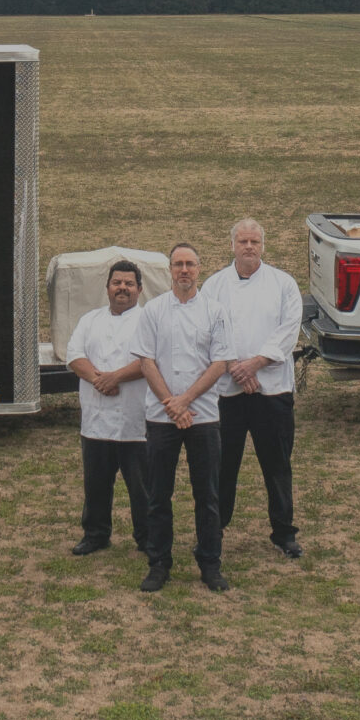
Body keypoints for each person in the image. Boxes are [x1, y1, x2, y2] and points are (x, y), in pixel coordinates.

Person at [131, 241, 231, 593]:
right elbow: (146, 361)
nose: (184, 270)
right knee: (158, 494)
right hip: (162, 418)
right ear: (169, 271)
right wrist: (171, 405)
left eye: (190, 264)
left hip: (203, 417)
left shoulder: (215, 312)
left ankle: (210, 564)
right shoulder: (154, 311)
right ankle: (158, 564)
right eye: (178, 265)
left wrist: (185, 401)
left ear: (199, 269)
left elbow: (219, 363)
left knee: (208, 496)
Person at [206, 216, 304, 559]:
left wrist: (256, 363)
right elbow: (208, 331)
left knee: (277, 465)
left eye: (255, 242)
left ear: (263, 246)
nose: (249, 247)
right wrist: (234, 365)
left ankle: (283, 532)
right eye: (243, 241)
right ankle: (214, 529)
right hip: (227, 391)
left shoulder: (283, 284)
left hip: (272, 390)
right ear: (232, 245)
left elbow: (289, 329)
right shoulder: (214, 285)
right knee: (222, 465)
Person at [65, 258, 151, 557]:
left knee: (142, 488)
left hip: (136, 420)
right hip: (96, 418)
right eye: (117, 283)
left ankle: (147, 537)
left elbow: (148, 361)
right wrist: (98, 380)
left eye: (129, 283)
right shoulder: (90, 320)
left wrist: (115, 377)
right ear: (107, 288)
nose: (122, 288)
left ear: (139, 289)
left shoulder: (149, 320)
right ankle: (95, 534)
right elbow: (74, 355)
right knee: (96, 484)